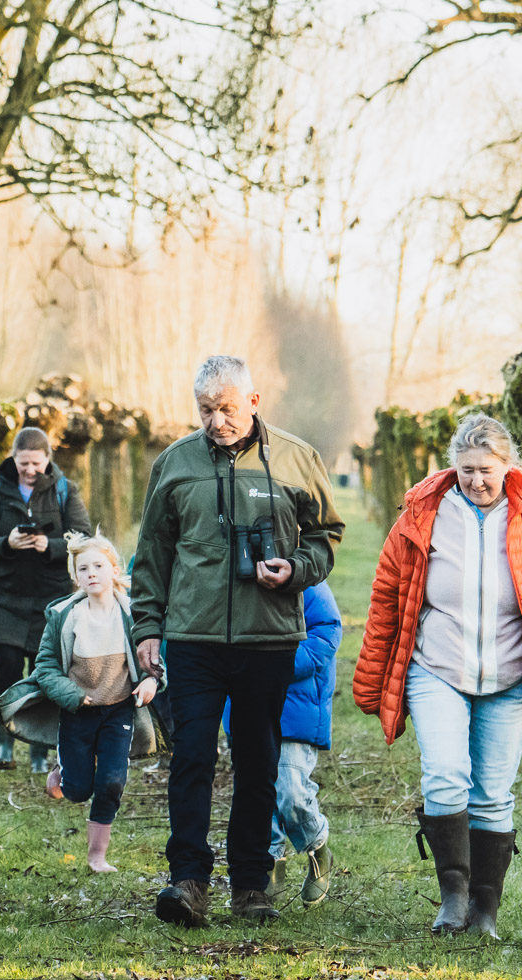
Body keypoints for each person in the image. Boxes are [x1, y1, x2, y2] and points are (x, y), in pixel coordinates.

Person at [131, 355, 344, 927]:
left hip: (267, 637)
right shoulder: (174, 464)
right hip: (193, 638)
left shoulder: (298, 459)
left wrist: (296, 568)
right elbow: (151, 553)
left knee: (258, 761)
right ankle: (188, 882)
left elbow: (327, 537)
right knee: (192, 758)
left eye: (226, 408)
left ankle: (251, 886)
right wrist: (147, 627)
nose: (216, 420)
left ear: (253, 401)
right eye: (205, 409)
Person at [353, 413, 522, 940]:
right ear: (452, 467)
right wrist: (374, 669)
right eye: (466, 470)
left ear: (509, 467)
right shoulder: (424, 511)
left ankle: (486, 910)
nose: (476, 481)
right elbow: (387, 591)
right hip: (437, 667)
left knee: (493, 792)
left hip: (512, 674)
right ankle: (453, 896)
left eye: (486, 470)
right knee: (444, 774)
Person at [26, 533, 160, 873]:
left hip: (119, 708)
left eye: (99, 566)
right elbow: (45, 667)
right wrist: (71, 695)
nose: (91, 573)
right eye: (83, 568)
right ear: (75, 576)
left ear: (114, 570)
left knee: (112, 782)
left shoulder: (132, 613)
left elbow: (155, 656)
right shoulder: (64, 616)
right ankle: (64, 770)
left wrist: (151, 679)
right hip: (79, 710)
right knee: (77, 790)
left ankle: (97, 857)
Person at [0, 426, 91, 772]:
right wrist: (6, 544)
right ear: (13, 458)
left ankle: (40, 751)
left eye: (35, 464)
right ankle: (5, 744)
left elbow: (83, 536)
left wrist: (49, 547)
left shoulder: (65, 491)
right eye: (23, 463)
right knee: (6, 665)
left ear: (47, 460)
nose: (28, 470)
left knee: (44, 672)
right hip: (5, 596)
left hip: (51, 597)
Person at [223, 580, 342, 908]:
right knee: (257, 794)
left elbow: (327, 630)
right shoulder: (235, 576)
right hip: (247, 705)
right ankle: (269, 867)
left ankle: (317, 844)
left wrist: (275, 667)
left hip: (294, 707)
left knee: (290, 791)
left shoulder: (308, 581)